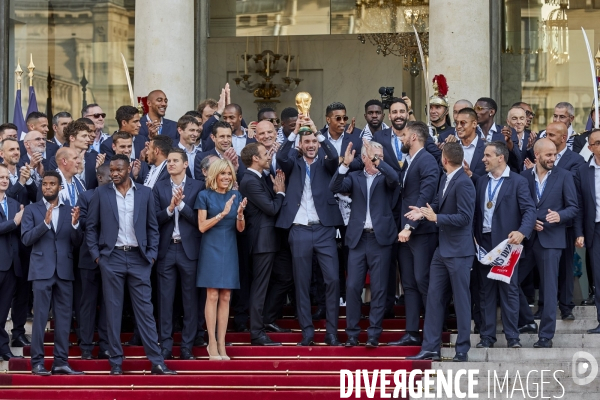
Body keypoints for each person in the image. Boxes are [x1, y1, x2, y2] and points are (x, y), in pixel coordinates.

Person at [85, 154, 176, 375]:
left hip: (139, 259)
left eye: (119, 170)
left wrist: (151, 255)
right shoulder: (101, 193)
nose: (114, 174)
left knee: (145, 311)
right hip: (111, 258)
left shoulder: (145, 193)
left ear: (129, 169)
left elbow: (153, 227)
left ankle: (156, 362)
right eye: (112, 170)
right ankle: (116, 362)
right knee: (113, 312)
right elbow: (91, 227)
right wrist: (98, 257)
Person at [276, 114, 343, 346]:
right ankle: (307, 331)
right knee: (301, 282)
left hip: (324, 229)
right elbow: (281, 155)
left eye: (314, 141)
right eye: (307, 142)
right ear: (301, 145)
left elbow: (334, 156)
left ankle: (331, 332)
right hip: (299, 230)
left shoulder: (326, 161)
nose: (312, 145)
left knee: (332, 279)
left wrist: (319, 133)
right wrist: (295, 131)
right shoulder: (292, 162)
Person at [405, 142, 476, 362]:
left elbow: (465, 218)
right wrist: (424, 211)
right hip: (442, 250)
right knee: (434, 298)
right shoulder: (446, 178)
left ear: (444, 159)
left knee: (461, 300)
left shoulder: (464, 183)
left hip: (459, 252)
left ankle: (462, 349)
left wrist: (437, 218)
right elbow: (438, 202)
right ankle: (430, 348)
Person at [329, 139, 399, 347]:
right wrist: (345, 165)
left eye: (382, 157)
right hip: (358, 239)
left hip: (380, 240)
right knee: (352, 287)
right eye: (375, 156)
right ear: (365, 157)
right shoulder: (355, 177)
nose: (380, 160)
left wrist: (378, 159)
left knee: (378, 288)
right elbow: (334, 186)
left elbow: (395, 178)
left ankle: (373, 335)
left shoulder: (385, 177)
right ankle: (352, 334)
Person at [474, 141, 536, 349]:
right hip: (483, 244)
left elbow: (529, 211)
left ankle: (513, 338)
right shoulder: (481, 181)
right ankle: (487, 337)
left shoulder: (518, 181)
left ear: (500, 157)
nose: (483, 159)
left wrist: (522, 232)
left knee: (509, 292)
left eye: (487, 155)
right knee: (486, 292)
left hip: (507, 244)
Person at [22, 171, 83, 375]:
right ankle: (37, 363)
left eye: (52, 184)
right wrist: (45, 224)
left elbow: (76, 243)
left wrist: (75, 225)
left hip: (65, 271)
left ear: (60, 187)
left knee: (64, 319)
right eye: (45, 184)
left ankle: (61, 362)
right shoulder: (32, 210)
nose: (48, 187)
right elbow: (26, 239)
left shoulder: (69, 211)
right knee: (39, 319)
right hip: (41, 271)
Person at [518, 139, 578, 348]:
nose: (553, 158)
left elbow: (573, 208)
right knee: (509, 280)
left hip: (552, 240)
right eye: (548, 155)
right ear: (537, 155)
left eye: (554, 155)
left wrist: (559, 216)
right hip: (526, 240)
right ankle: (527, 320)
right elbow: (519, 206)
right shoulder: (523, 177)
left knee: (550, 288)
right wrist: (529, 221)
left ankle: (546, 336)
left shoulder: (565, 176)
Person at [389, 121, 439, 347]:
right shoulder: (409, 161)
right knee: (409, 283)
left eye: (404, 135)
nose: (401, 138)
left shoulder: (427, 160)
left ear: (415, 138)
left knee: (423, 281)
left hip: (421, 233)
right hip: (406, 233)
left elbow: (425, 196)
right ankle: (411, 332)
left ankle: (432, 335)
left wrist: (410, 227)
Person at [154, 148, 204, 360]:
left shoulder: (198, 187)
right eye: (169, 161)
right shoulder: (159, 187)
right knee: (165, 300)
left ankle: (187, 346)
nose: (170, 164)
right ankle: (165, 345)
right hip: (166, 250)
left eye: (175, 160)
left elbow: (198, 220)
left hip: (189, 250)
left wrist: (181, 205)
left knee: (190, 300)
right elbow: (154, 219)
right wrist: (169, 208)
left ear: (185, 164)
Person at [195, 159, 247, 359]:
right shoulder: (204, 195)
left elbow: (240, 229)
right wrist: (222, 214)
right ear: (214, 175)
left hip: (230, 247)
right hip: (211, 247)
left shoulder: (236, 194)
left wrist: (240, 214)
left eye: (229, 174)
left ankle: (222, 344)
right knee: (213, 295)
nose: (226, 177)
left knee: (226, 296)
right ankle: (212, 344)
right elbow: (201, 226)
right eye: (223, 174)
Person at [239, 143, 286, 345]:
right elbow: (271, 208)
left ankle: (266, 319)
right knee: (260, 288)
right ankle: (256, 333)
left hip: (269, 241)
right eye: (265, 154)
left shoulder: (260, 177)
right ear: (255, 159)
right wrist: (281, 192)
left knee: (285, 276)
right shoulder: (250, 181)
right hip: (261, 242)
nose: (269, 156)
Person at [544, 121, 585, 320]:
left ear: (564, 138)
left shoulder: (575, 160)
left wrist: (578, 230)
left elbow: (575, 194)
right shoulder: (541, 155)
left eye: (552, 135)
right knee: (546, 269)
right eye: (546, 133)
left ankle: (566, 306)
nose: (548, 137)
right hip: (544, 225)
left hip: (566, 223)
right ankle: (544, 305)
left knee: (566, 266)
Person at [77, 164, 112, 360]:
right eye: (109, 175)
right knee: (87, 305)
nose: (113, 178)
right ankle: (86, 347)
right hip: (88, 259)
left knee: (109, 304)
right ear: (99, 176)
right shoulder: (86, 196)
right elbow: (82, 223)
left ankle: (105, 345)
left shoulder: (118, 195)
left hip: (112, 258)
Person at [574, 129, 600, 333]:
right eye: (597, 143)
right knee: (598, 277)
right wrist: (579, 232)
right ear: (590, 148)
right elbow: (580, 206)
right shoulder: (584, 171)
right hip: (595, 230)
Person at [0, 164, 25, 361]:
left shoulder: (15, 204)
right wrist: (14, 222)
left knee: (3, 310)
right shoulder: (16, 213)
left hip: (11, 266)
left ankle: (3, 347)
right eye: (0, 177)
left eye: (6, 177)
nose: (4, 180)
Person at [50, 120, 101, 190]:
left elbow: (97, 185)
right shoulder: (56, 159)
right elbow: (56, 183)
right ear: (72, 138)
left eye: (88, 136)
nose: (88, 139)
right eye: (84, 136)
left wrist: (98, 170)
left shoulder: (94, 158)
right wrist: (78, 172)